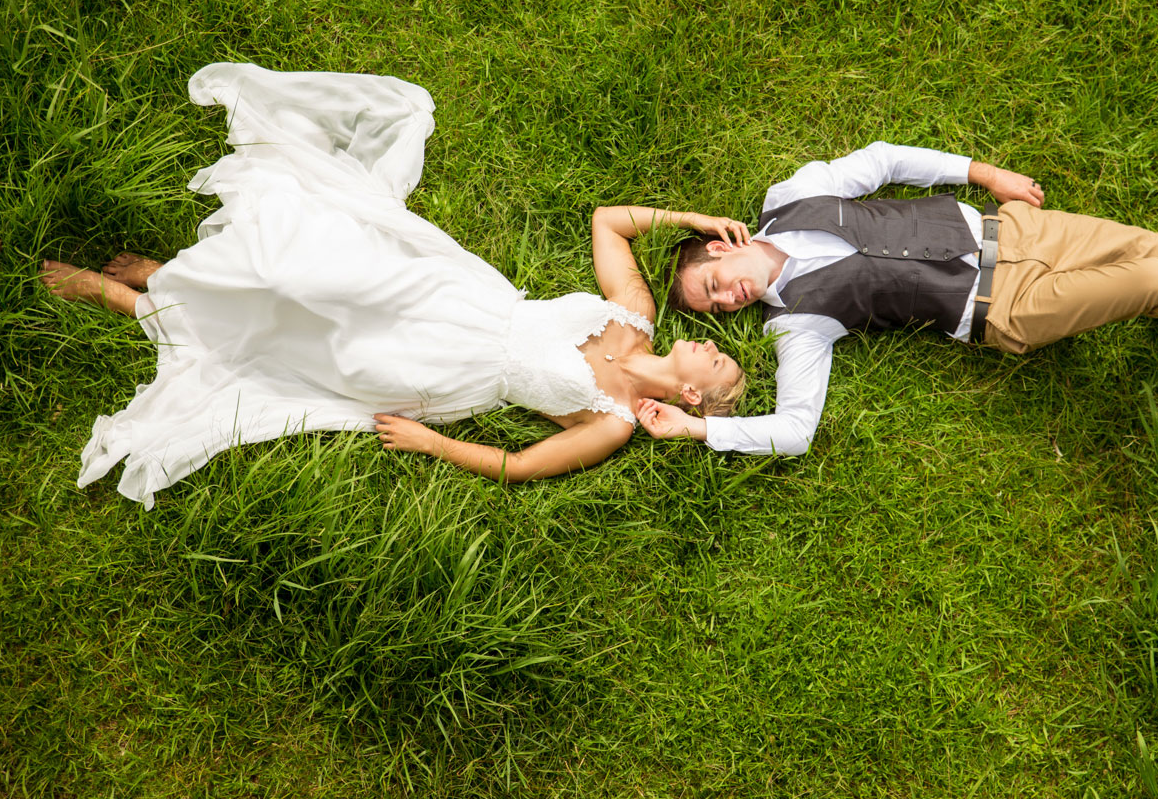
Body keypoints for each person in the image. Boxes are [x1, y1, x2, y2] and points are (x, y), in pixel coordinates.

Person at [43, 63, 744, 508]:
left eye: (716, 364)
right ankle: (175, 276)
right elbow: (609, 222)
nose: (710, 349)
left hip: (442, 372)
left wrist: (430, 443)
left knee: (297, 345)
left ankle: (131, 298)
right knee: (309, 266)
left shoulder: (611, 426)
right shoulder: (637, 312)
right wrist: (690, 217)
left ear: (688, 395)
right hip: (458, 296)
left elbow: (522, 465)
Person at [633, 140, 1158, 456]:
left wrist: (984, 174)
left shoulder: (789, 195)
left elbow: (879, 159)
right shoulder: (795, 323)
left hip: (1018, 234)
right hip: (1002, 311)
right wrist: (698, 431)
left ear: (721, 243)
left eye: (711, 283)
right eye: (718, 311)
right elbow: (798, 429)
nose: (730, 300)